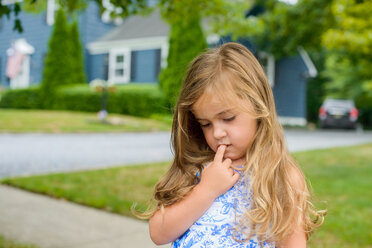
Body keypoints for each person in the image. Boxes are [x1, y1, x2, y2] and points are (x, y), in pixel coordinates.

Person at [140, 42, 325, 247]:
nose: (217, 133)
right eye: (206, 124)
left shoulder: (281, 176)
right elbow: (158, 233)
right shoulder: (198, 169)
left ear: (259, 108)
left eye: (228, 118)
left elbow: (292, 243)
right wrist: (206, 190)